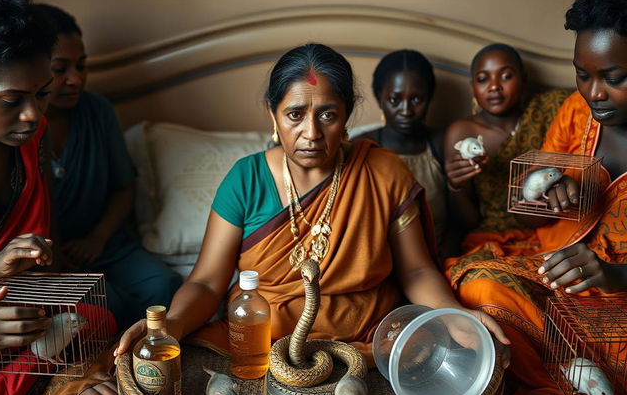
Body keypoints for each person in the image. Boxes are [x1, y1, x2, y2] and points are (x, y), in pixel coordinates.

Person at [116, 43, 509, 365]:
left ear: (347, 116)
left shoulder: (385, 172)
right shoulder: (245, 178)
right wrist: (172, 325)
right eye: (294, 115)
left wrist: (455, 316)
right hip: (264, 347)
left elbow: (418, 271)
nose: (311, 133)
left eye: (328, 115)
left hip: (372, 345)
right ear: (273, 116)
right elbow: (205, 282)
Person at [449, 0, 627, 395]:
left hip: (617, 304)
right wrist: (550, 189)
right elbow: (530, 187)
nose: (594, 93)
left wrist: (612, 273)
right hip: (548, 273)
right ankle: (569, 374)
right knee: (479, 289)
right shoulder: (575, 112)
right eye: (582, 75)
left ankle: (577, 388)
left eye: (613, 77)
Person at [0, 0, 117, 395]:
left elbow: (47, 232)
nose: (32, 114)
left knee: (95, 318)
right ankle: (48, 394)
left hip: (12, 316)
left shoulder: (33, 135)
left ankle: (44, 383)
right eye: (11, 100)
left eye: (41, 95)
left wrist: (44, 285)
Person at [34, 4, 182, 330]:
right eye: (60, 68)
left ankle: (150, 362)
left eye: (82, 65)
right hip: (50, 258)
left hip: (106, 244)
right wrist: (55, 260)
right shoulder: (21, 125)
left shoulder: (97, 111)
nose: (76, 79)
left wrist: (98, 239)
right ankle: (115, 367)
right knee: (104, 303)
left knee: (163, 286)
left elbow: (124, 186)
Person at [444, 44, 570, 253]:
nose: (494, 87)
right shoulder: (462, 132)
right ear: (472, 87)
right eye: (483, 79)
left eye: (505, 76)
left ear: (524, 80)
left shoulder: (548, 111)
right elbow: (468, 223)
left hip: (551, 233)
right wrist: (455, 187)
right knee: (481, 285)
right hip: (490, 240)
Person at [358, 49, 449, 256]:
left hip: (437, 259)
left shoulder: (443, 143)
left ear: (430, 97)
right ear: (379, 97)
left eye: (416, 100)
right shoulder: (362, 147)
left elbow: (458, 223)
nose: (406, 111)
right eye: (394, 100)